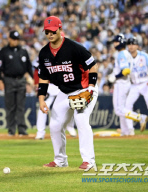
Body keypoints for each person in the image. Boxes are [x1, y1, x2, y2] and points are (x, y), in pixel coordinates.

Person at [38, 16, 98, 170]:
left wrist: (91, 88)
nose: (50, 34)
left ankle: (89, 161)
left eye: (53, 31)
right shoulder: (44, 53)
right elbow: (43, 77)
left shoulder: (73, 47)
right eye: (47, 32)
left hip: (84, 89)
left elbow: (93, 66)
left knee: (81, 119)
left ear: (59, 29)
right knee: (55, 124)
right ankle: (60, 160)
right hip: (65, 92)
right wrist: (41, 99)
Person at [0, 30, 33, 136]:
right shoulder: (3, 51)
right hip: (9, 80)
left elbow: (28, 67)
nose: (16, 41)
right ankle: (11, 130)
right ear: (9, 39)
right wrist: (0, 80)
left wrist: (33, 79)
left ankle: (22, 129)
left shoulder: (23, 51)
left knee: (21, 106)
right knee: (11, 106)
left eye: (17, 39)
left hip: (21, 80)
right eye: (14, 39)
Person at [111, 34, 148, 136]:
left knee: (119, 110)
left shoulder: (122, 54)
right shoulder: (126, 53)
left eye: (116, 42)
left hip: (121, 83)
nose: (115, 44)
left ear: (121, 42)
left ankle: (140, 118)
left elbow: (126, 70)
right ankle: (125, 131)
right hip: (125, 83)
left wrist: (115, 77)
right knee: (121, 108)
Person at [33, 62, 76, 140]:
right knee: (43, 108)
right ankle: (40, 132)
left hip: (63, 83)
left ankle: (70, 127)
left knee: (70, 106)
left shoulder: (65, 53)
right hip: (49, 85)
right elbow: (38, 68)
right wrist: (37, 84)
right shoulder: (45, 53)